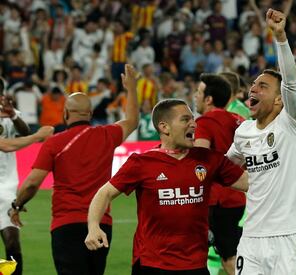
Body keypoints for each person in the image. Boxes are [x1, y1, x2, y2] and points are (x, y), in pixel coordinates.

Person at [85, 99, 249, 274]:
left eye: (193, 119)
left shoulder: (208, 159)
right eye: (185, 119)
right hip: (152, 264)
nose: (194, 124)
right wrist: (93, 225)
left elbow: (249, 183)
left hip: (195, 265)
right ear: (164, 127)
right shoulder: (141, 163)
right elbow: (105, 193)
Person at [8, 64, 139, 275]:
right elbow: (132, 121)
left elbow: (32, 182)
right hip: (100, 225)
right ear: (90, 113)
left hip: (65, 224)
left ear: (66, 113)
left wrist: (17, 205)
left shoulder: (54, 143)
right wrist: (131, 88)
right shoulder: (106, 135)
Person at [226, 9, 296, 274]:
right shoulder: (244, 132)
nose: (253, 88)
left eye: (262, 86)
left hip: (289, 235)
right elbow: (225, 167)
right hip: (251, 236)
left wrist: (280, 36)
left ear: (278, 99)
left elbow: (291, 84)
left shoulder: (293, 122)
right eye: (253, 84)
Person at [194, 73, 245, 275]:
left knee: (225, 256)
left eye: (198, 92)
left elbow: (200, 161)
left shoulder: (204, 123)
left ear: (209, 99)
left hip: (215, 201)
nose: (195, 96)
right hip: (237, 198)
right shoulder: (239, 120)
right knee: (228, 254)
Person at [0, 79, 32, 275]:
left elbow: (26, 132)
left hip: (6, 187)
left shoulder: (8, 113)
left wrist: (12, 116)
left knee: (12, 243)